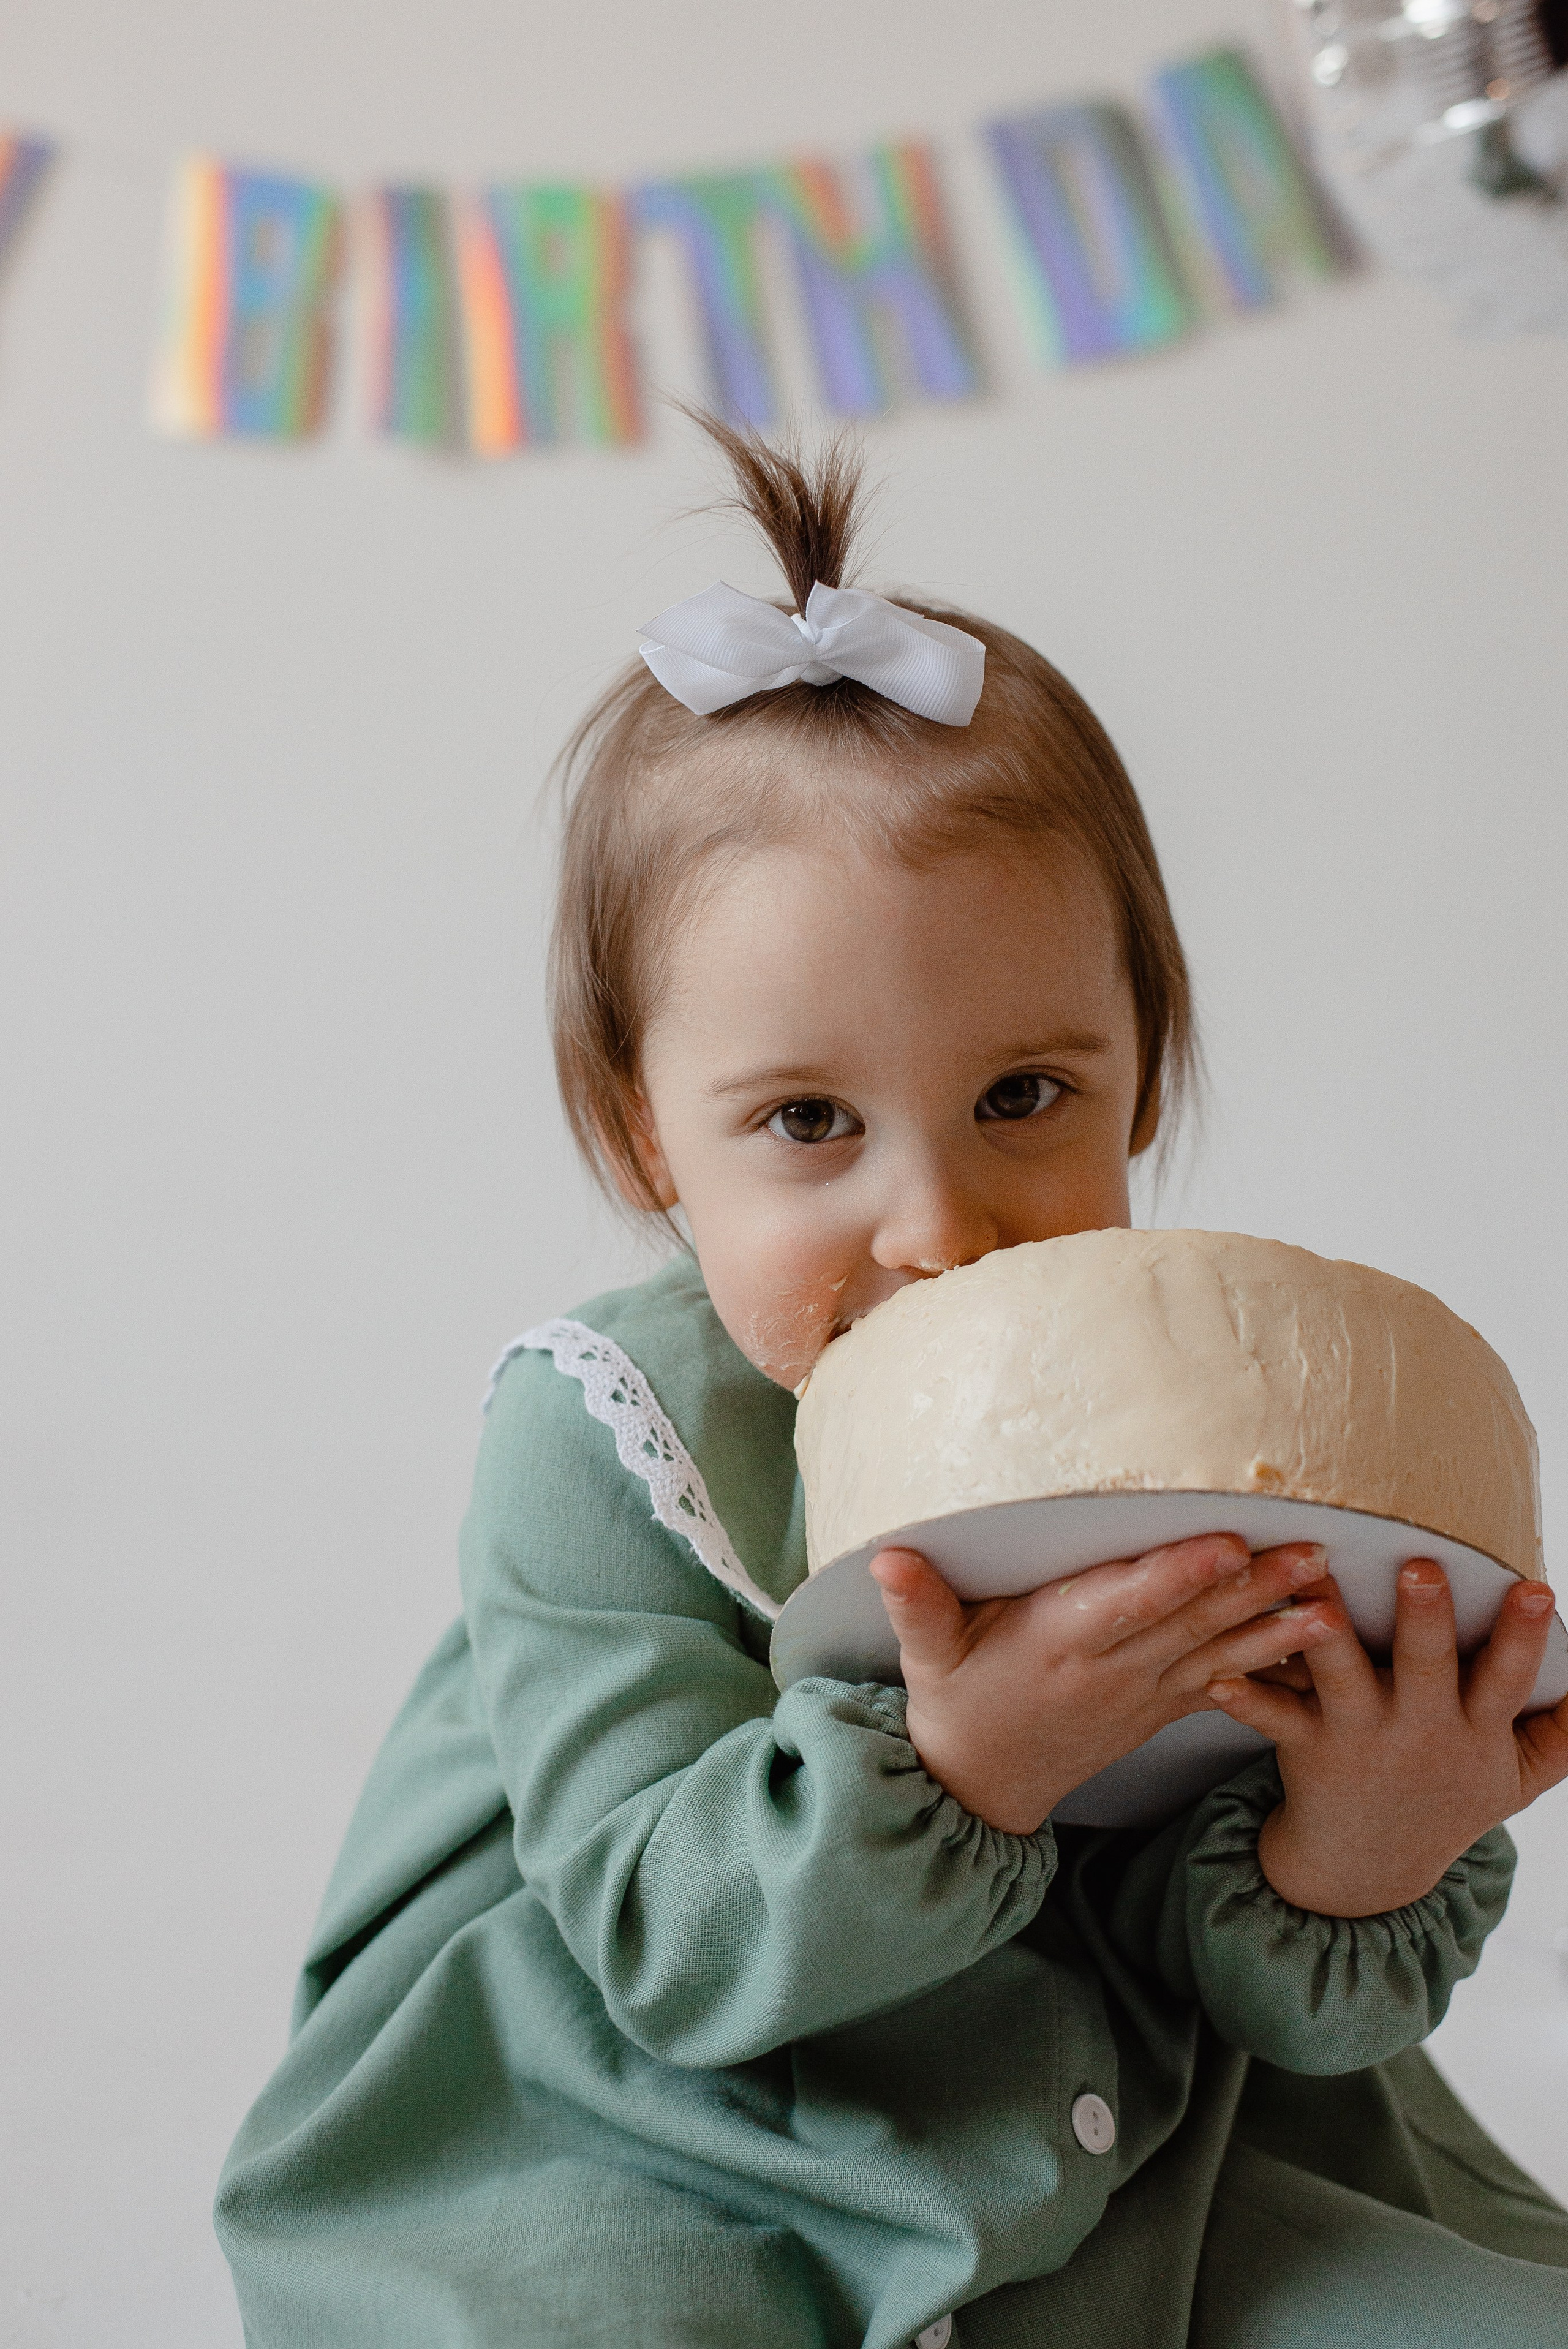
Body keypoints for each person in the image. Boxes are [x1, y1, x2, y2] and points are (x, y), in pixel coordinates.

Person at [216, 420, 1568, 2348]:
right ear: (645, 1136)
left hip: (1155, 2144)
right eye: (807, 1121)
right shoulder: (606, 1432)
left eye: (1027, 1095)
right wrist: (965, 1771)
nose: (942, 1224)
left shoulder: (1200, 1393)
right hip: (677, 2138)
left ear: (1143, 1075)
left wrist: (1352, 1854)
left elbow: (1269, 1980)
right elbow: (665, 1950)